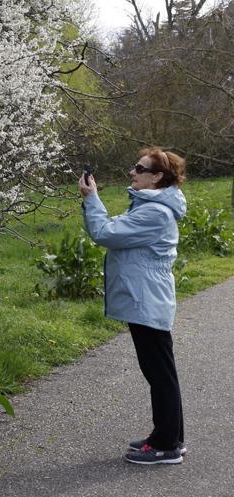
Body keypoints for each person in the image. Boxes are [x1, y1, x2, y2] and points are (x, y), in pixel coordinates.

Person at [78, 147, 188, 465]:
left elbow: (104, 233)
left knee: (159, 373)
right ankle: (170, 438)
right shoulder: (148, 206)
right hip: (147, 299)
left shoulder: (154, 213)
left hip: (147, 301)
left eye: (139, 168)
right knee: (160, 371)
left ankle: (166, 444)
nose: (132, 172)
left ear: (157, 177)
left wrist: (91, 198)